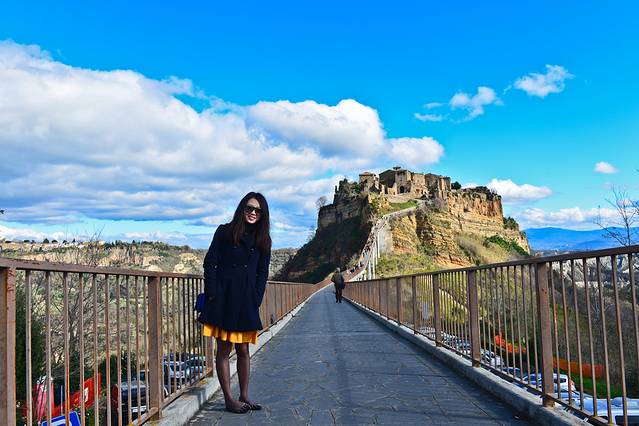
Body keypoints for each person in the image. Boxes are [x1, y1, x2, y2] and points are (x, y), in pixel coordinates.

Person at [199, 192, 271, 414]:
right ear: (242, 208)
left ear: (262, 215)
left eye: (258, 210)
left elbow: (262, 272)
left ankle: (244, 395)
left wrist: (257, 297)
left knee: (243, 350)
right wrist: (212, 293)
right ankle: (229, 399)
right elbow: (210, 262)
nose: (253, 212)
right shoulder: (225, 231)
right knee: (223, 349)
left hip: (247, 300)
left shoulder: (263, 240)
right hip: (224, 298)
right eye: (249, 208)